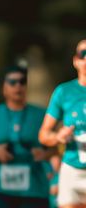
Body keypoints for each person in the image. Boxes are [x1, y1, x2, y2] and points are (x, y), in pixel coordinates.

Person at [0, 64, 53, 208]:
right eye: (12, 82)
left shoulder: (41, 115)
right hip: (0, 191)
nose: (18, 86)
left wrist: (45, 154)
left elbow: (57, 149)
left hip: (34, 191)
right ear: (4, 88)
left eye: (22, 82)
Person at [38, 39, 86, 208]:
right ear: (75, 61)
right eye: (83, 54)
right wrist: (59, 137)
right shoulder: (64, 92)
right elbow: (44, 135)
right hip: (72, 171)